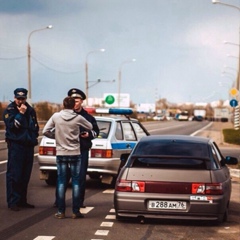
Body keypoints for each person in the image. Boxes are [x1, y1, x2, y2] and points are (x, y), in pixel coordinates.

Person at [43, 96, 93, 219]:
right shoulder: (78, 118)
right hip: (75, 153)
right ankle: (76, 211)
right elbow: (90, 127)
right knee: (76, 181)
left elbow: (45, 131)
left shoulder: (56, 116)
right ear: (73, 106)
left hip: (61, 153)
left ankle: (61, 211)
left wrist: (57, 137)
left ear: (63, 105)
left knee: (61, 181)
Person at [3, 88, 39, 211]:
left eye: (22, 99)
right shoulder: (10, 110)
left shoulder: (31, 110)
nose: (20, 101)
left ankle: (22, 200)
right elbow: (14, 126)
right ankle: (13, 201)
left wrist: (34, 137)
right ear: (14, 98)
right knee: (15, 175)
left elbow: (35, 126)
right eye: (18, 99)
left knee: (25, 175)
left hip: (28, 145)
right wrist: (21, 114)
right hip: (16, 146)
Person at [67, 88, 99, 208]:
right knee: (64, 176)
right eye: (73, 100)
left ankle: (79, 201)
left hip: (82, 150)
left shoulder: (88, 117)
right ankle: (59, 202)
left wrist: (88, 135)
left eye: (77, 100)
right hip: (67, 149)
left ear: (81, 101)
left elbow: (96, 131)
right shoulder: (64, 115)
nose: (75, 102)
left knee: (80, 177)